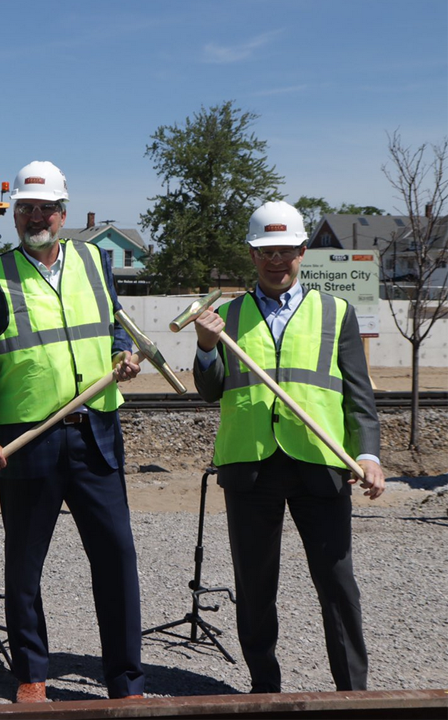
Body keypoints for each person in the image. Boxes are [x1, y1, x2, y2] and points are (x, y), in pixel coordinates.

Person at [0, 161, 146, 702]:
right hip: (27, 438)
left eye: (44, 208)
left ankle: (125, 680)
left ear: (63, 213)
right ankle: (31, 672)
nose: (35, 216)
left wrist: (122, 353)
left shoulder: (95, 260)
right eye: (26, 209)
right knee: (24, 563)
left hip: (96, 433)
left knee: (116, 558)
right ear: (15, 215)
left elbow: (114, 323)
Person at [192, 200, 385, 694]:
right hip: (249, 465)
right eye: (265, 252)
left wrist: (367, 455)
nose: (276, 261)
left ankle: (353, 694)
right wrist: (206, 347)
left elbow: (359, 396)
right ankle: (264, 690)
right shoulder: (227, 316)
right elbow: (210, 390)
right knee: (255, 587)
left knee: (338, 584)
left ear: (303, 251)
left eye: (286, 251)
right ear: (252, 256)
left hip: (319, 465)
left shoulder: (334, 312)